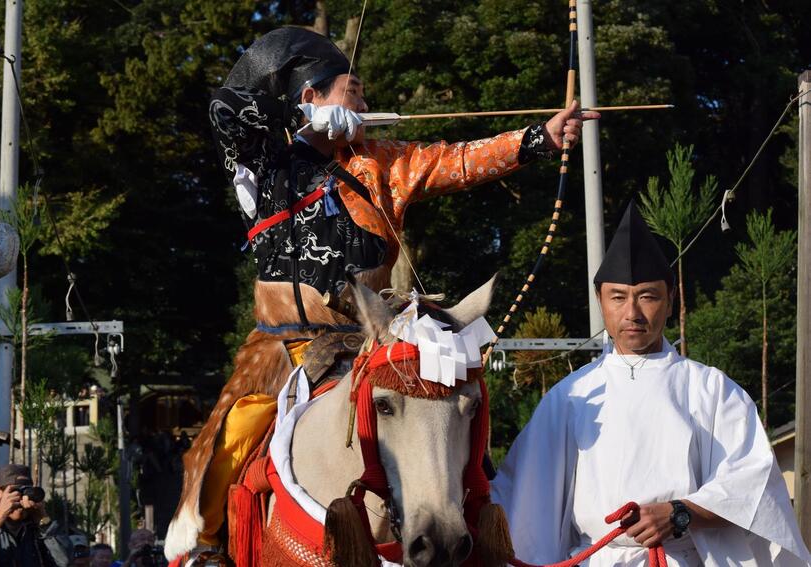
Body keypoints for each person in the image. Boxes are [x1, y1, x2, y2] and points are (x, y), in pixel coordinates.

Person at [166, 26, 598, 559]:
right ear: (311, 97)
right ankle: (209, 547)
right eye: (353, 92)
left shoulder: (383, 162)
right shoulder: (263, 162)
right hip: (279, 348)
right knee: (234, 432)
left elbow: (458, 160)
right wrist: (294, 120)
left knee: (448, 409)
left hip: (367, 338)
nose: (365, 103)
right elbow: (223, 111)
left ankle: (476, 524)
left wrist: (539, 138)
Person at [492, 202, 811, 566]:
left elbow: (752, 485)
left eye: (647, 296)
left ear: (670, 300)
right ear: (600, 301)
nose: (632, 313)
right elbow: (521, 497)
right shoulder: (570, 396)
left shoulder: (711, 390)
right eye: (618, 297)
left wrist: (679, 513)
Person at [0, 464, 60, 567]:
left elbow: (64, 561)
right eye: (15, 491)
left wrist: (44, 522)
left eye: (25, 491)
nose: (21, 498)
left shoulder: (36, 526)